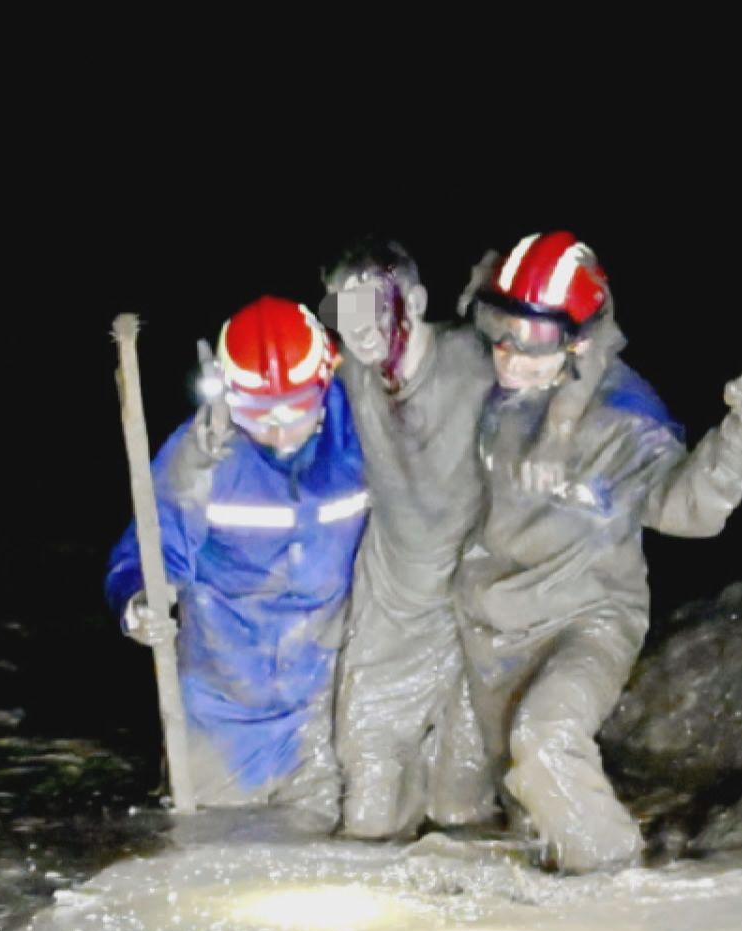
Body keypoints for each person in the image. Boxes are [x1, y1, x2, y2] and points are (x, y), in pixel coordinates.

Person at [456, 230, 742, 873]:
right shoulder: (488, 388)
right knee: (525, 809)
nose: (509, 354)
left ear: (578, 341)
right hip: (490, 625)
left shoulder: (624, 417)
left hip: (584, 619)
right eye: (499, 327)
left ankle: (626, 902)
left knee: (545, 742)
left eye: (533, 340)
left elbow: (688, 512)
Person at [107, 295, 368, 821]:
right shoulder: (199, 458)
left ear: (326, 380)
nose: (275, 431)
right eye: (255, 413)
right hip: (222, 708)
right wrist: (140, 600)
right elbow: (150, 547)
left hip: (325, 704)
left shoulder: (364, 439)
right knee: (209, 852)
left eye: (295, 410)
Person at [320, 238, 499, 839]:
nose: (360, 329)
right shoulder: (349, 373)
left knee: (461, 810)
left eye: (374, 306)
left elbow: (582, 351)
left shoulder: (478, 363)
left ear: (415, 301)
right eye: (344, 311)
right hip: (393, 604)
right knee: (368, 806)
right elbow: (271, 392)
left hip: (476, 609)